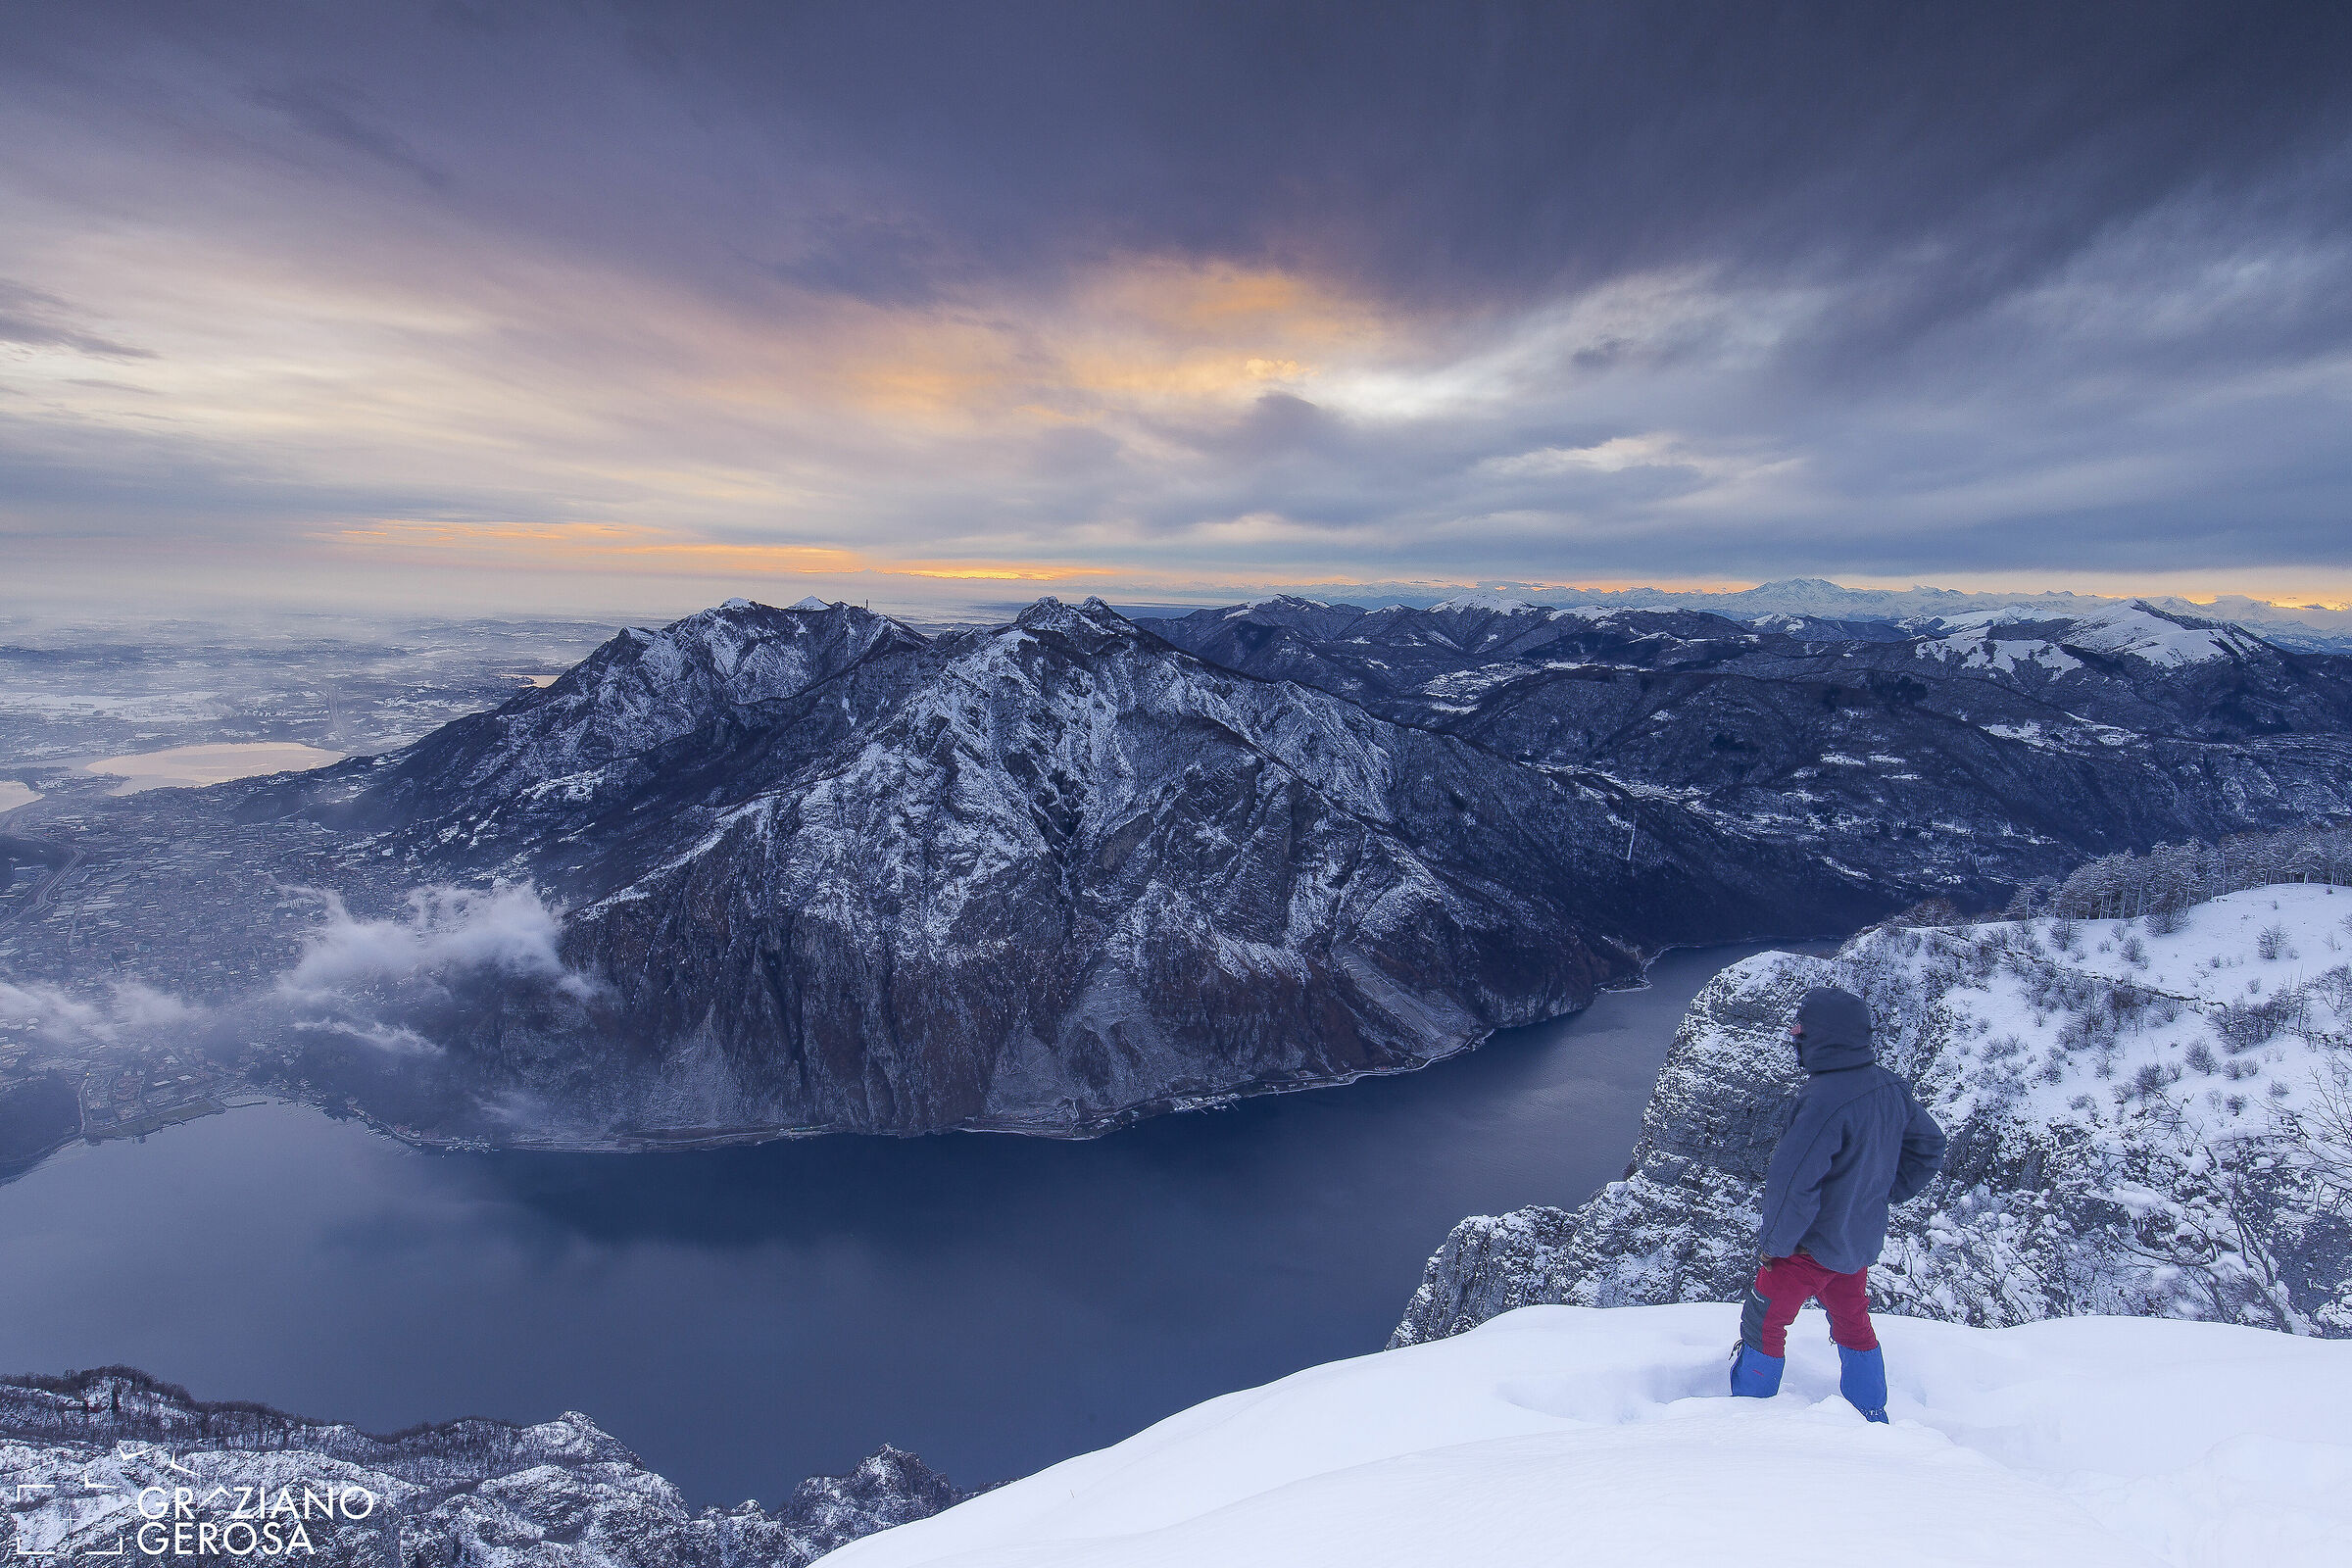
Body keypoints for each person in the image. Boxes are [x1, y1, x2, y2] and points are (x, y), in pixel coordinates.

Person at [1728, 984, 1946, 1421]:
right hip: (1853, 1243)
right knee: (1853, 1324)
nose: (1795, 1037)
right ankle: (1871, 1415)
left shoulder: (1822, 1100)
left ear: (1823, 1036)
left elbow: (1793, 1183)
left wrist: (1774, 1245)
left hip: (1805, 1248)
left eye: (1801, 1031)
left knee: (1764, 1321)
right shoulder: (1890, 1086)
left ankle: (1749, 1422)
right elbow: (1929, 1147)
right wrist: (1878, 1196)